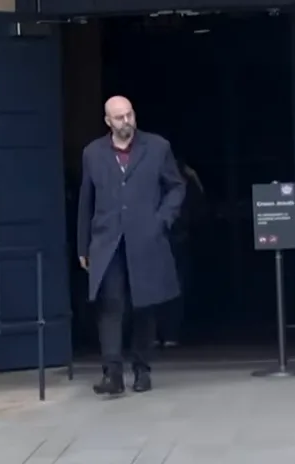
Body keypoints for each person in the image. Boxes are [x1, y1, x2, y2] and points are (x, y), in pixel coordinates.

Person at [77, 96, 186, 396]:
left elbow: (176, 186)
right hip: (107, 241)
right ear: (108, 121)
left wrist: (161, 220)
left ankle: (142, 368)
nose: (126, 122)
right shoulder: (93, 153)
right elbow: (86, 200)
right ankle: (112, 372)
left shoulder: (157, 147)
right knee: (110, 305)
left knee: (144, 306)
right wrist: (83, 246)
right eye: (119, 118)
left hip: (145, 239)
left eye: (129, 115)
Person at [157, 159, 207, 348]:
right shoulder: (184, 176)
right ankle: (168, 333)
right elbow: (198, 207)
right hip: (172, 237)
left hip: (171, 237)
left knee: (164, 285)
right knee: (173, 285)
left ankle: (162, 332)